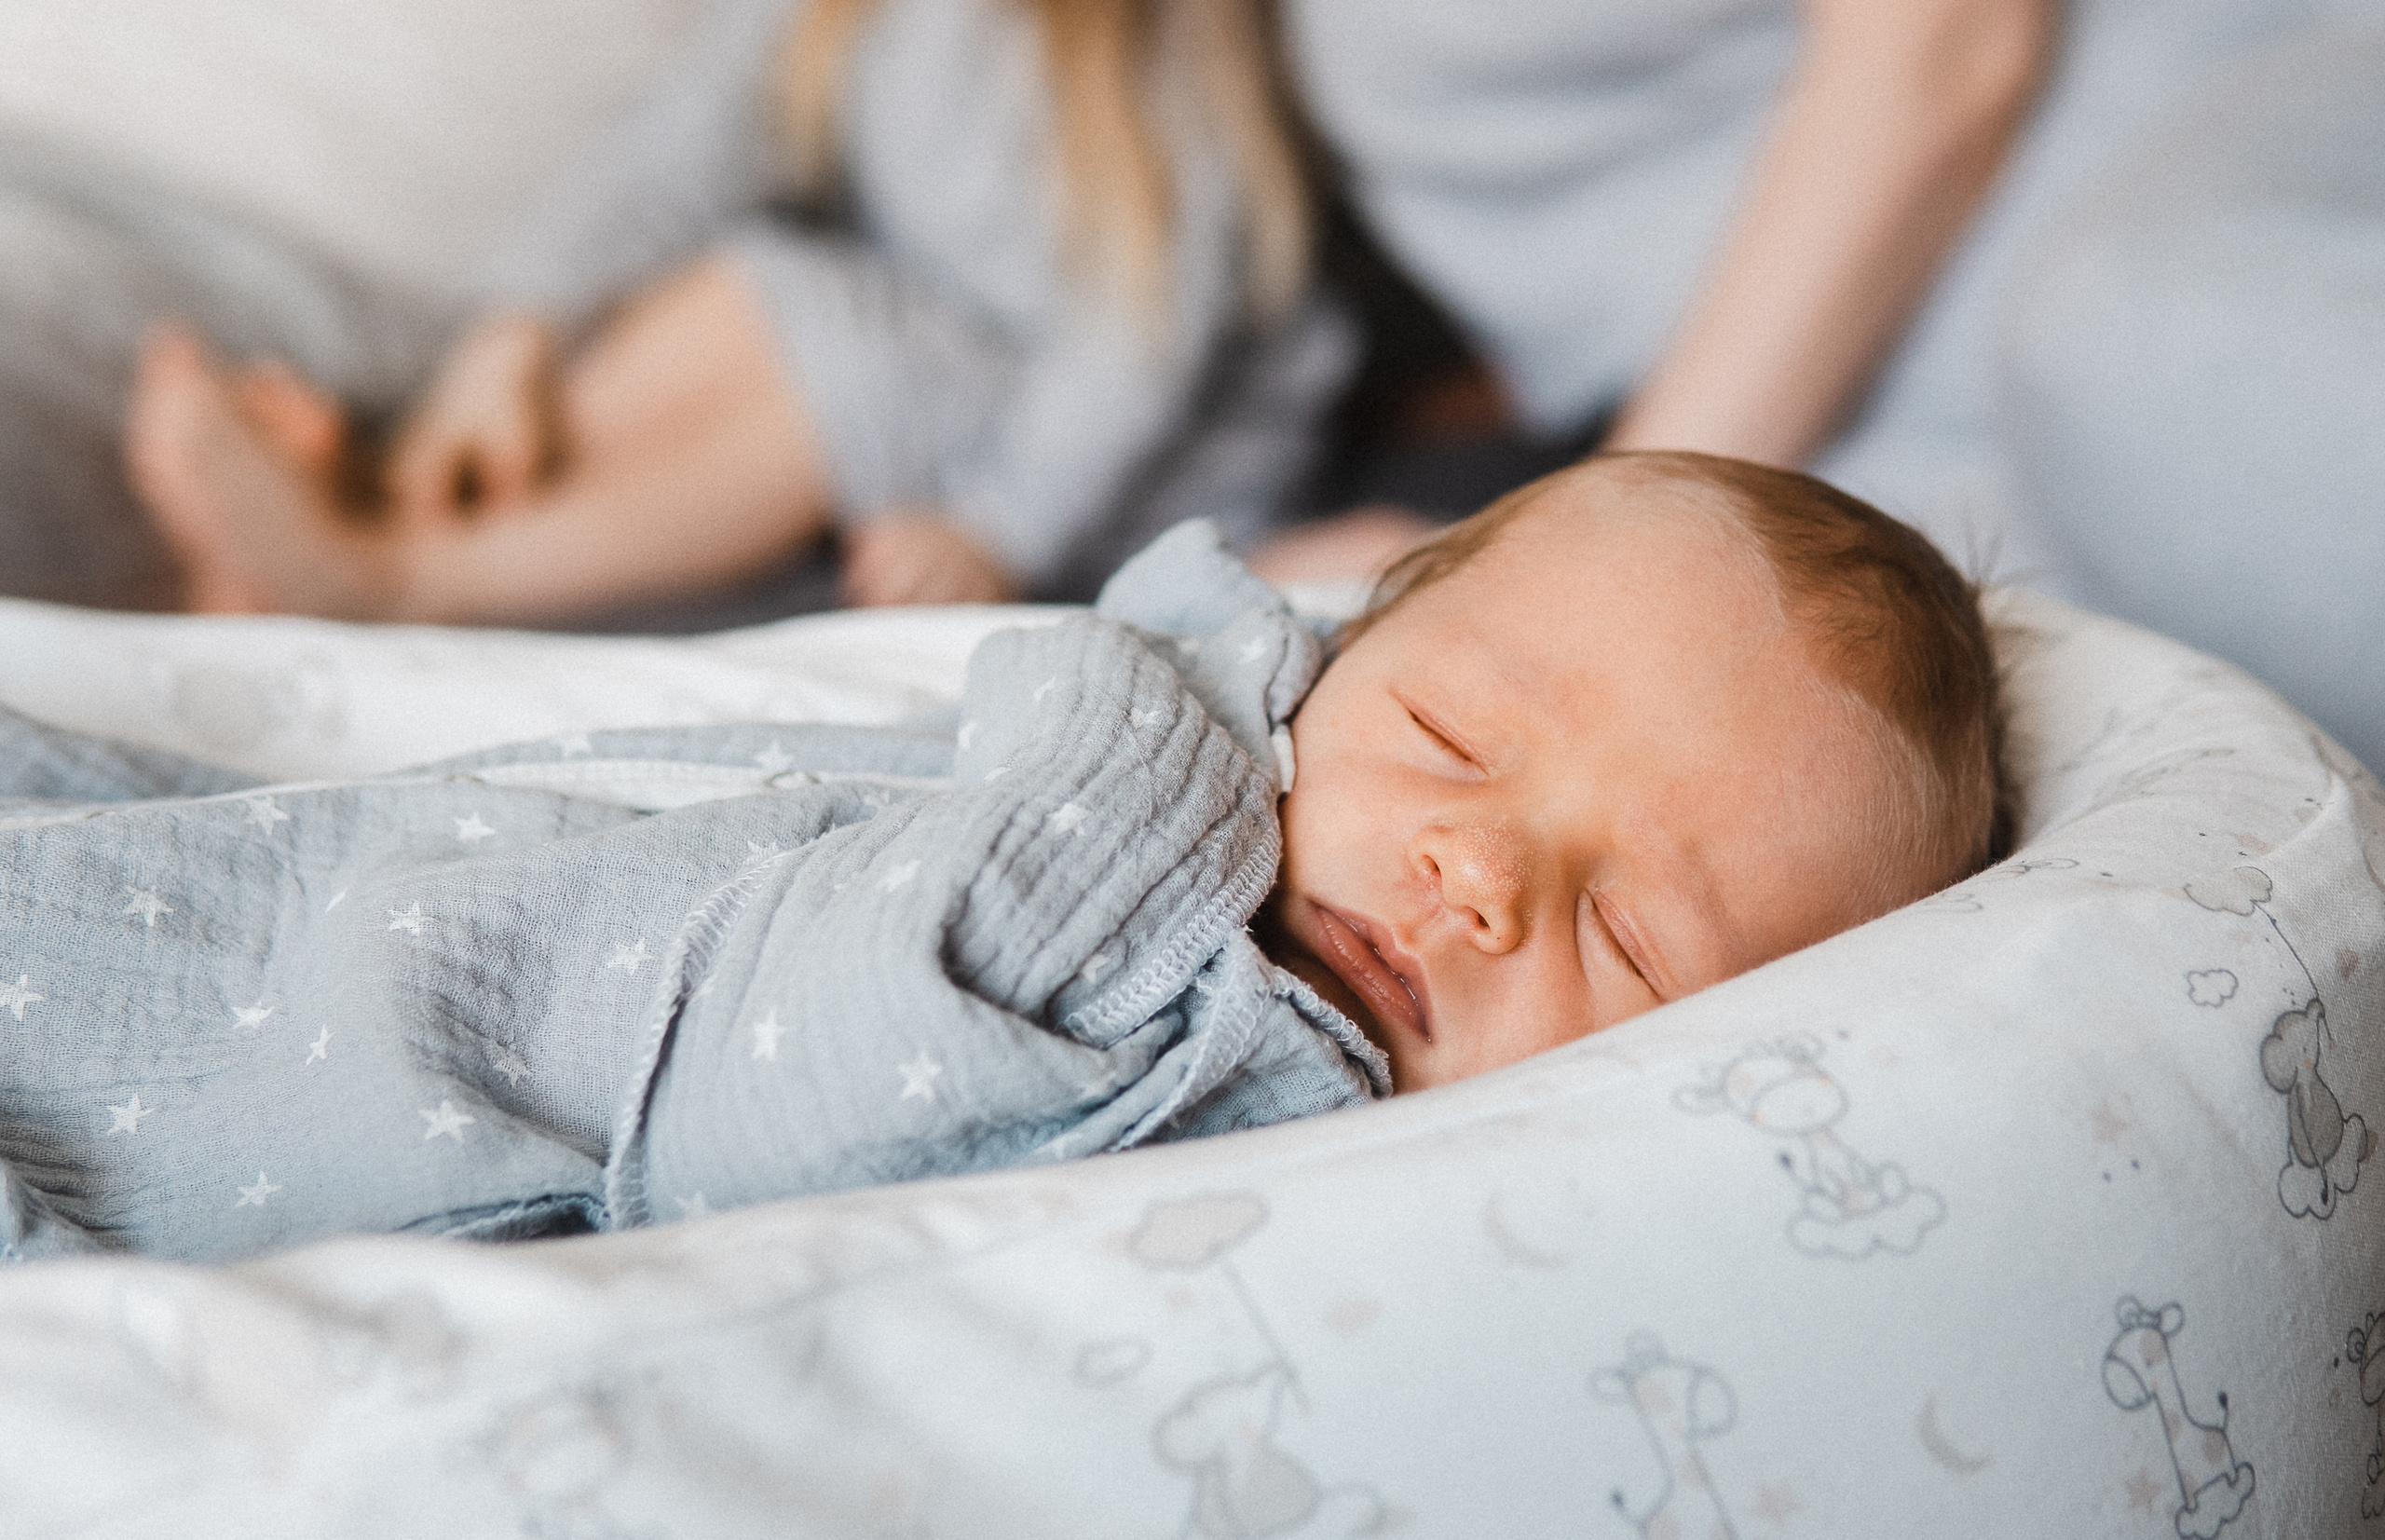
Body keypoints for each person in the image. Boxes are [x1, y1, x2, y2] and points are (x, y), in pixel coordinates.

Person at [0, 453, 1999, 1262]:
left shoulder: (1247, 1068)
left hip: (219, 1111)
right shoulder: (1242, 762)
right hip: (285, 884)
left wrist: (1151, 709)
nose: (1477, 873)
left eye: (1634, 936)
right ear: (1335, 660)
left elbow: (797, 1117)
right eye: (1446, 738)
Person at [1272, 0, 2385, 773]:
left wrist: (1596, 533)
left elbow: (1945, 53)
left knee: (2144, 346)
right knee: (1903, 748)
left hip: (2183, 158)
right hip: (1869, 427)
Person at [123, 0, 1348, 625]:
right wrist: (516, 332)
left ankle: (386, 580)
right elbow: (684, 145)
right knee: (733, 279)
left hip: (1129, 468)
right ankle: (389, 508)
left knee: (821, 323)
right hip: (961, 369)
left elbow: (1136, 349)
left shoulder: (1164, 64)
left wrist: (999, 530)